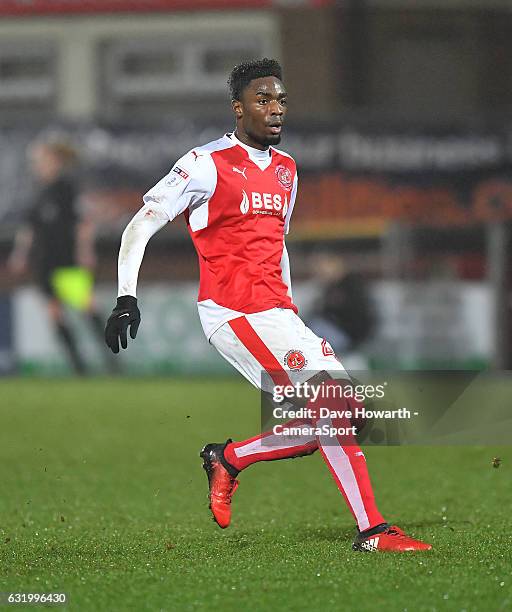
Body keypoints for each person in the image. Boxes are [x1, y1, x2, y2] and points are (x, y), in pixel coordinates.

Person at [105, 59, 431, 552]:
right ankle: (373, 531)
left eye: (280, 100)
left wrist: (291, 309)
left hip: (279, 313)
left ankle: (230, 458)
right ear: (238, 109)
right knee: (332, 411)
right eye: (263, 100)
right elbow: (140, 226)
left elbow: (277, 244)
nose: (275, 110)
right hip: (234, 312)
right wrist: (126, 296)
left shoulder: (287, 170)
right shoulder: (203, 163)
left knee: (348, 416)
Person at [8, 135, 116, 375]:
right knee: (54, 312)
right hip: (45, 262)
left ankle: (111, 360)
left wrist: (84, 251)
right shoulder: (37, 192)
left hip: (67, 260)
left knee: (87, 308)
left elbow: (83, 223)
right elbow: (29, 228)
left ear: (55, 161)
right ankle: (79, 367)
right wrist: (20, 254)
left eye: (43, 160)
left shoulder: (67, 189)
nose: (39, 165)